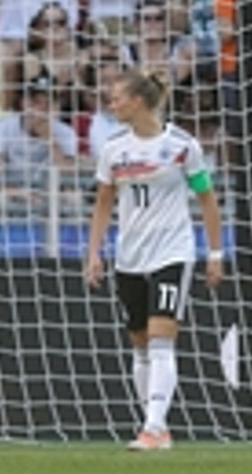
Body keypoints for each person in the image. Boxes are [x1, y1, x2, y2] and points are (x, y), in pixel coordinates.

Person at [85, 68, 224, 452]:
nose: (111, 105)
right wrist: (93, 253)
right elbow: (103, 203)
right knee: (140, 343)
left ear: (138, 101)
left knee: (162, 338)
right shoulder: (114, 149)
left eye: (117, 98)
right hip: (130, 255)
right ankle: (155, 427)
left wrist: (215, 252)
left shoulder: (181, 146)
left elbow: (207, 199)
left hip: (173, 252)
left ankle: (154, 425)